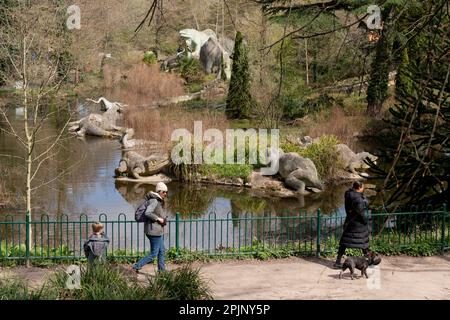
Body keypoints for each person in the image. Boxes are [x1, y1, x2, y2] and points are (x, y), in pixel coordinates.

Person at [333, 181, 371, 269]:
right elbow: (361, 213)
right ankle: (369, 260)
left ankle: (338, 261)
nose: (364, 188)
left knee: (344, 243)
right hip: (358, 224)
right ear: (359, 188)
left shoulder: (348, 194)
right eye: (363, 187)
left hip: (349, 221)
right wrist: (366, 221)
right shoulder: (358, 199)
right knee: (363, 242)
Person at [133, 182, 168, 273]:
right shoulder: (154, 200)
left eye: (166, 192)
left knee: (161, 251)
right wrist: (158, 219)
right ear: (159, 191)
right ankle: (137, 266)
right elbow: (148, 213)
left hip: (156, 230)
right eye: (164, 192)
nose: (165, 194)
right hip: (153, 231)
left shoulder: (157, 200)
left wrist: (161, 219)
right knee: (154, 254)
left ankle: (162, 271)